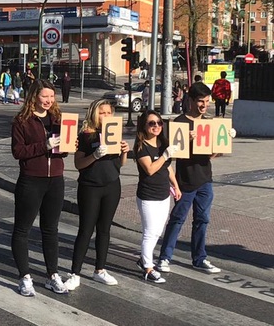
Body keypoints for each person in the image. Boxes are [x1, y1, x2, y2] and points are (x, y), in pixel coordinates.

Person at [157, 82, 237, 274]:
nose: (204, 105)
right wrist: (186, 139)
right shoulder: (179, 122)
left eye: (207, 101)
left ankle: (199, 258)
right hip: (185, 180)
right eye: (201, 101)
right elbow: (172, 154)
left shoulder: (208, 123)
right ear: (191, 101)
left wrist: (225, 141)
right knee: (178, 219)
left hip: (205, 180)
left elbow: (211, 155)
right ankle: (164, 257)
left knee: (203, 219)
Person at [11, 79, 69, 295]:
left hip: (55, 178)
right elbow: (18, 152)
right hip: (31, 179)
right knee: (22, 228)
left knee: (51, 229)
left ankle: (52, 274)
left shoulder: (57, 119)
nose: (49, 100)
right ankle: (24, 276)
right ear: (34, 96)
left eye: (51, 97)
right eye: (45, 96)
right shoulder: (22, 121)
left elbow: (64, 150)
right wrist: (43, 146)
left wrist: (67, 146)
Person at [65, 99, 129, 291]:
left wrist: (124, 152)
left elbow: (120, 164)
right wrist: (94, 156)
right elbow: (78, 164)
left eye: (109, 112)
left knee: (104, 229)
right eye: (102, 112)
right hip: (90, 186)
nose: (106, 116)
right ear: (94, 113)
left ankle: (99, 269)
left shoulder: (114, 133)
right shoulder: (85, 135)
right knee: (86, 229)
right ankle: (74, 273)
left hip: (111, 185)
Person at [133, 110, 181, 283]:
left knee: (158, 231)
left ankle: (144, 260)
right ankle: (147, 266)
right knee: (150, 232)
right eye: (151, 123)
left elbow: (167, 168)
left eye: (159, 123)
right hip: (148, 196)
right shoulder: (141, 146)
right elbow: (151, 169)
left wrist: (175, 185)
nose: (156, 126)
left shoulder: (162, 143)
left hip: (163, 194)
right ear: (144, 126)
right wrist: (165, 155)